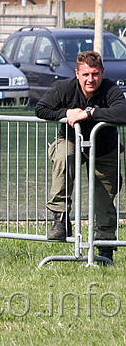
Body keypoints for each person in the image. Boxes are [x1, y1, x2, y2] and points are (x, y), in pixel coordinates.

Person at [35, 50, 126, 262]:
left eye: (94, 74)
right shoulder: (64, 88)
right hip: (71, 141)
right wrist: (66, 113)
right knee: (63, 156)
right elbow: (41, 109)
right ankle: (61, 219)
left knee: (104, 197)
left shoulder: (110, 89)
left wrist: (90, 112)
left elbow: (123, 113)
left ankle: (104, 246)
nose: (90, 79)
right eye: (85, 74)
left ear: (102, 72)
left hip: (105, 149)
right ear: (77, 74)